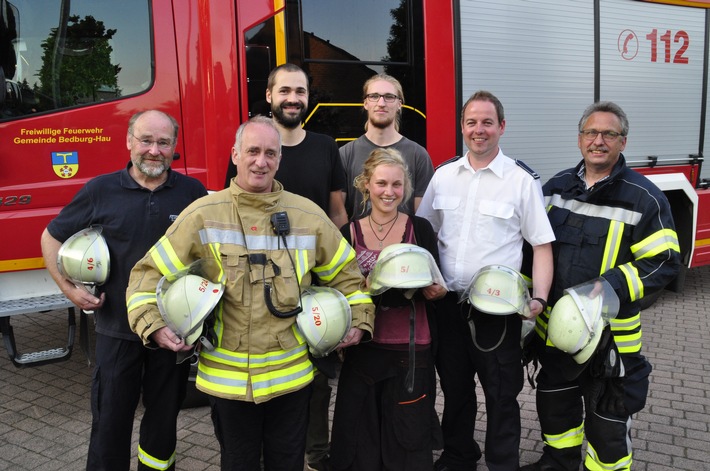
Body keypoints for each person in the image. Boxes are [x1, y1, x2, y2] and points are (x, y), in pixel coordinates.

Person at [125, 116, 375, 471]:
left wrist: (360, 321)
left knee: (286, 464)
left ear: (279, 159)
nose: (261, 161)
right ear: (236, 155)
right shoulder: (203, 215)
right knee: (238, 463)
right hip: (228, 384)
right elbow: (147, 276)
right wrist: (153, 324)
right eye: (253, 151)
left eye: (270, 153)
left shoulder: (307, 216)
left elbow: (349, 278)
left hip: (292, 379)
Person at [40, 110, 208, 470]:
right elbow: (51, 236)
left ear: (174, 147)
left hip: (171, 333)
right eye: (146, 140)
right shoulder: (100, 190)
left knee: (162, 426)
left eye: (163, 143)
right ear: (129, 142)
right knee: (110, 425)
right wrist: (68, 288)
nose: (154, 150)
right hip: (117, 331)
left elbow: (208, 257)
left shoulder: (192, 193)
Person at [520, 102, 681, 471]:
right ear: (579, 139)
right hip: (557, 332)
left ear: (623, 142)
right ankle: (559, 462)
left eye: (609, 134)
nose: (598, 141)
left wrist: (608, 286)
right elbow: (533, 251)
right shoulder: (555, 189)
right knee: (555, 403)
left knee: (607, 419)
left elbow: (664, 260)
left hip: (611, 339)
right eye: (591, 133)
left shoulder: (644, 197)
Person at [416, 90, 555, 471]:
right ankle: (460, 455)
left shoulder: (521, 181)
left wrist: (539, 300)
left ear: (502, 127)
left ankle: (502, 461)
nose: (479, 130)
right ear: (462, 127)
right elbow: (425, 235)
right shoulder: (443, 176)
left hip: (496, 310)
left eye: (487, 122)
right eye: (472, 122)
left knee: (501, 393)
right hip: (446, 304)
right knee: (456, 390)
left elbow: (541, 245)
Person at [225, 62, 349, 470]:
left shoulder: (325, 147)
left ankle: (316, 453)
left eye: (300, 91)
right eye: (284, 91)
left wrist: (332, 282)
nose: (293, 98)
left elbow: (337, 216)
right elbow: (233, 213)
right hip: (257, 290)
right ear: (269, 95)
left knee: (312, 385)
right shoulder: (251, 145)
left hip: (308, 289)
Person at [329, 148, 446, 471]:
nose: (389, 192)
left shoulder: (419, 230)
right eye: (381, 183)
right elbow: (339, 290)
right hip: (364, 348)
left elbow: (437, 286)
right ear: (366, 184)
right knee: (360, 437)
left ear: (405, 187)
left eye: (397, 185)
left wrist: (435, 292)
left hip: (411, 350)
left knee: (406, 437)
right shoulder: (348, 233)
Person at [340, 73, 434, 220]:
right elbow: (338, 213)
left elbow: (424, 217)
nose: (381, 103)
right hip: (356, 242)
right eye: (374, 96)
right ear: (365, 103)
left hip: (405, 242)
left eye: (389, 97)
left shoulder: (418, 155)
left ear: (399, 104)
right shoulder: (345, 154)